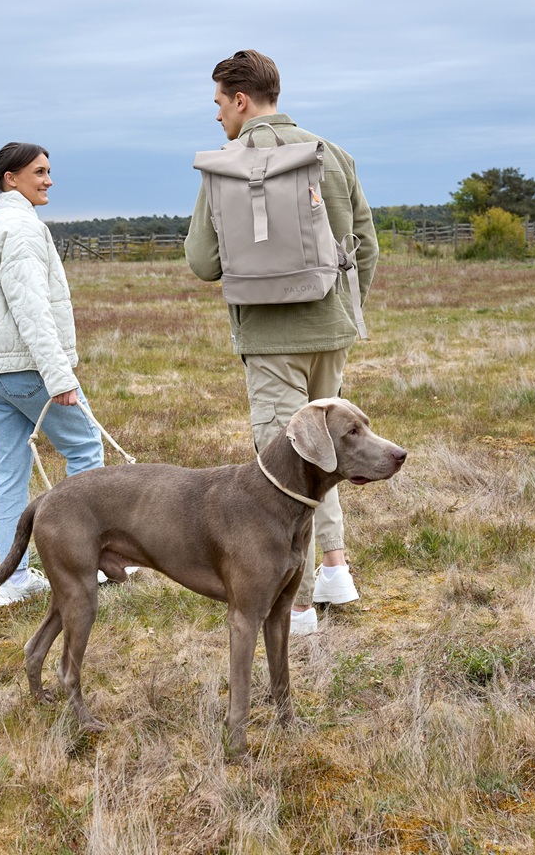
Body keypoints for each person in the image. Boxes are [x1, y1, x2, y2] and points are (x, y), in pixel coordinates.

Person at [185, 50, 379, 636]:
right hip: (331, 331)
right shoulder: (333, 154)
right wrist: (345, 309)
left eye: (219, 103)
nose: (218, 116)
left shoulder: (222, 164)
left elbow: (201, 262)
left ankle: (295, 606)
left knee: (285, 467)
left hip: (268, 339)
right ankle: (336, 570)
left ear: (241, 100)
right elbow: (365, 246)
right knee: (329, 452)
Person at [0, 142, 105, 606]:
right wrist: (59, 375)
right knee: (85, 449)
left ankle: (14, 583)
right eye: (39, 172)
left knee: (8, 469)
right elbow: (32, 310)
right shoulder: (20, 228)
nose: (49, 180)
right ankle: (89, 565)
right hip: (23, 368)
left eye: (49, 171)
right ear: (10, 179)